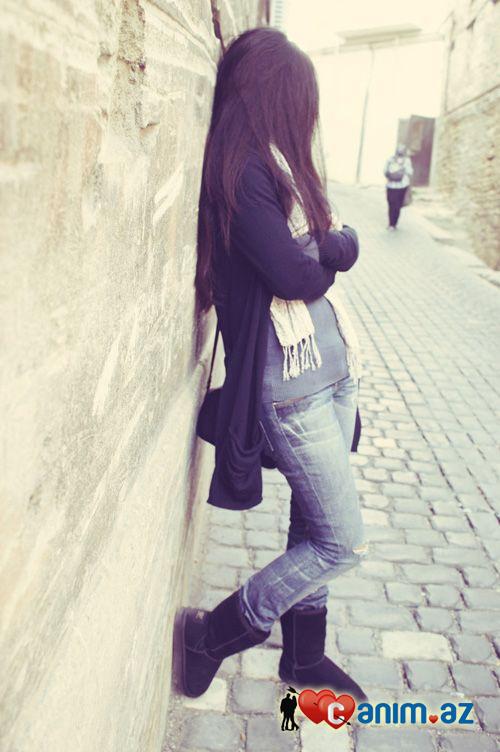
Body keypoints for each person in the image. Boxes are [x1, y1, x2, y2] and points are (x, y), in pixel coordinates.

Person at [180, 27, 368, 704]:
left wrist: (331, 248)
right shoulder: (243, 174)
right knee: (341, 543)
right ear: (272, 97)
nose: (304, 118)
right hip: (291, 390)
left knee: (313, 523)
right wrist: (333, 251)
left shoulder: (277, 165)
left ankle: (304, 658)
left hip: (334, 373)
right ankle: (215, 634)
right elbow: (297, 273)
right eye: (298, 103)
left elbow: (331, 243)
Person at [384, 144, 413, 230]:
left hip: (392, 186)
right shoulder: (406, 161)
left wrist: (391, 173)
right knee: (396, 206)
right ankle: (393, 224)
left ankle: (391, 224)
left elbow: (385, 171)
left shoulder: (390, 159)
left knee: (392, 205)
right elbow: (410, 172)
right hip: (401, 186)